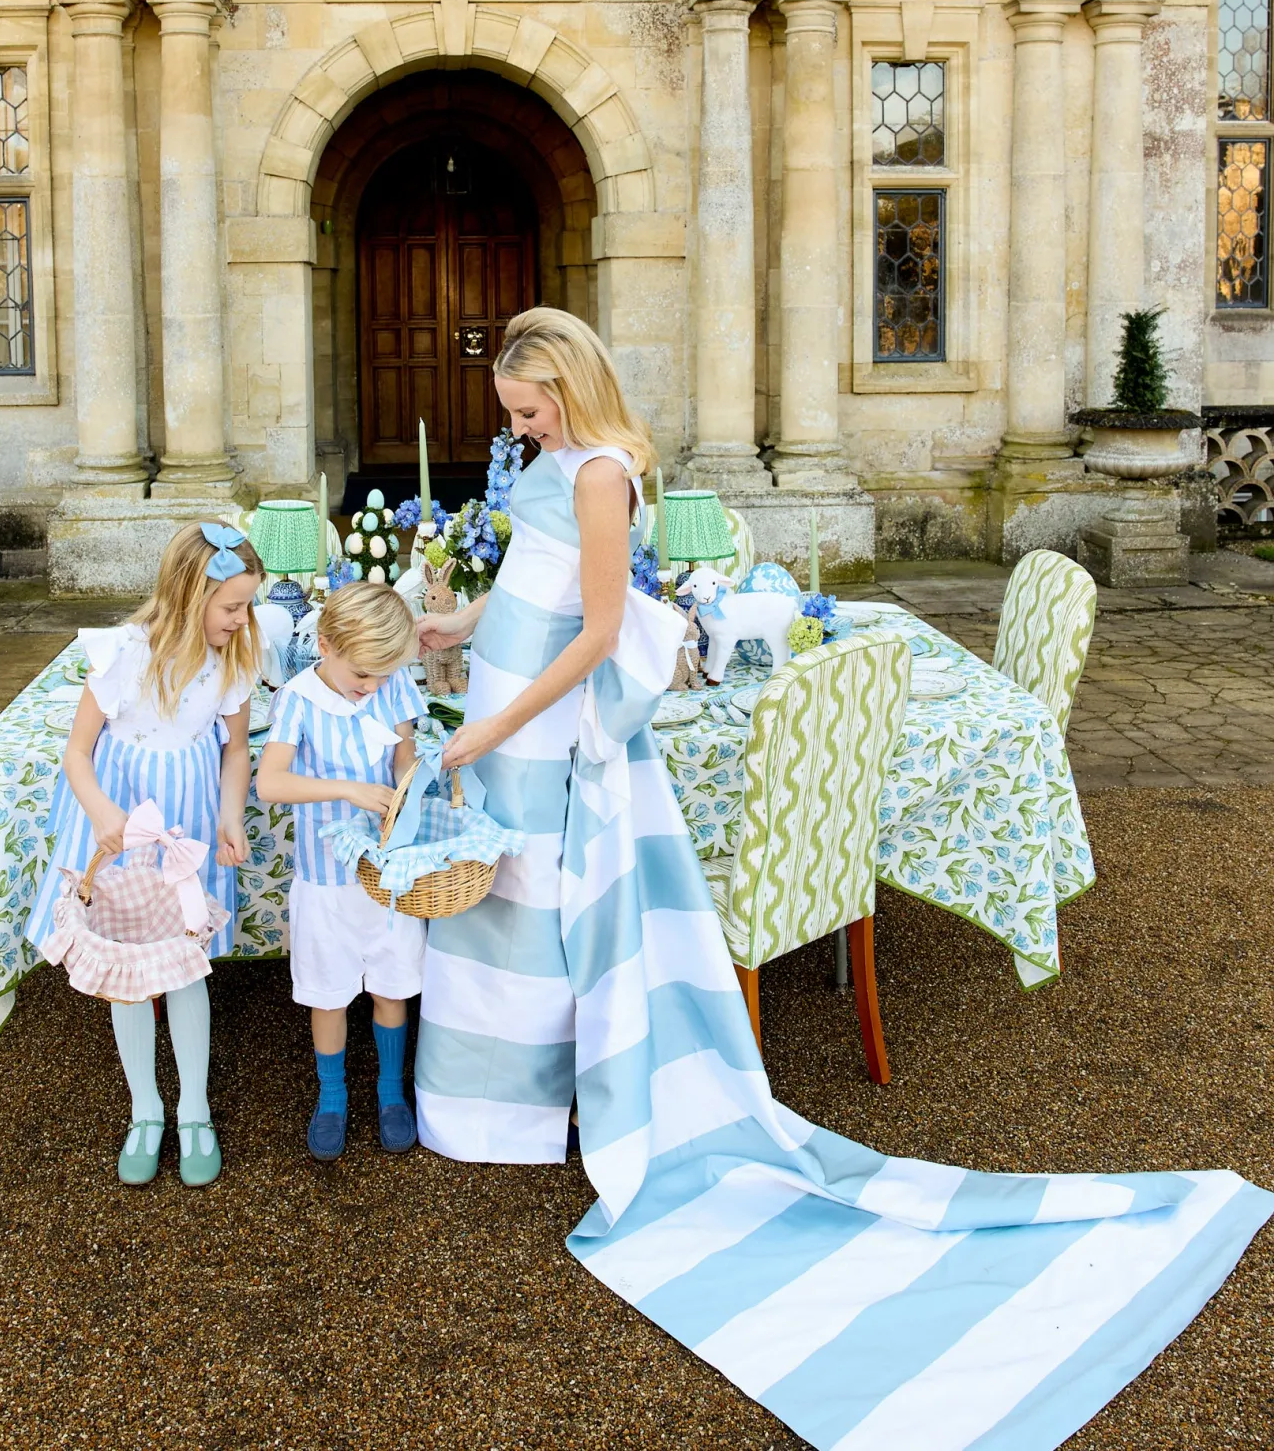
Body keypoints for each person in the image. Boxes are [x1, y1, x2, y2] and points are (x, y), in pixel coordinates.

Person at [410, 306, 1272, 1447]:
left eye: (530, 411)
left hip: (539, 723)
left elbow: (596, 634)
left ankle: (559, 1102)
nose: (517, 430)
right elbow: (534, 587)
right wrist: (455, 626)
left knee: (543, 909)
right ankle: (499, 1108)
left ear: (574, 391)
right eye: (510, 416)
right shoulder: (551, 467)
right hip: (499, 710)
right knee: (507, 911)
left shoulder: (603, 478)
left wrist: (495, 723)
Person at [25, 521, 259, 1188]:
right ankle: (145, 1108)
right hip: (122, 824)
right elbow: (77, 752)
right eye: (232, 606)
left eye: (245, 605)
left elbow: (235, 747)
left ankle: (195, 1109)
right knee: (128, 962)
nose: (242, 620)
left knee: (183, 963)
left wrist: (229, 813)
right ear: (190, 598)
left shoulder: (233, 658)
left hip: (183, 822)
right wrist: (102, 813)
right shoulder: (126, 655)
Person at [256, 581, 427, 1162]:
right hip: (326, 879)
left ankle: (389, 1091)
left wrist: (407, 784)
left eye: (382, 676)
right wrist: (349, 789)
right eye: (363, 676)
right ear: (325, 645)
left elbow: (403, 749)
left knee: (391, 984)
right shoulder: (299, 699)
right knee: (327, 992)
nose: (372, 687)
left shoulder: (390, 680)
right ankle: (332, 1096)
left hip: (385, 874)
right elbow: (270, 782)